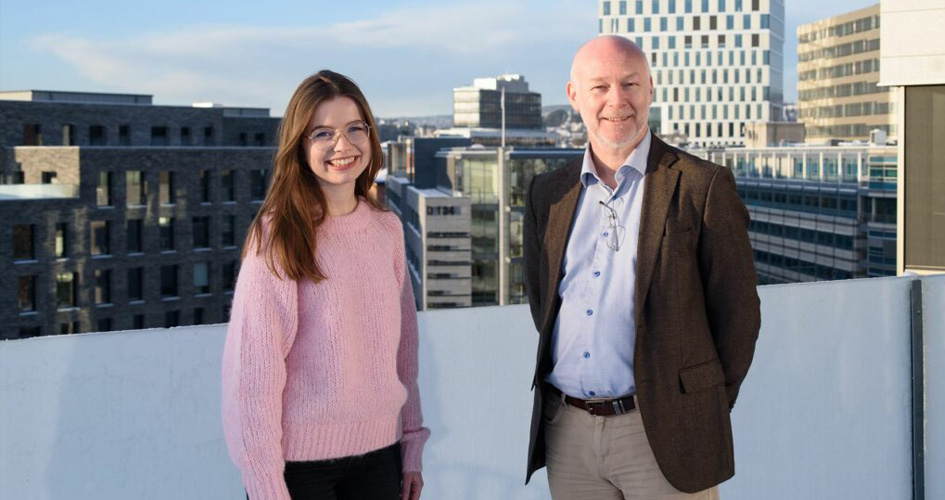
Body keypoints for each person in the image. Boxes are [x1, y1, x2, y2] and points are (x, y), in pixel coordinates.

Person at [522, 36, 761, 499]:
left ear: (650, 88)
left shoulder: (701, 186)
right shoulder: (546, 193)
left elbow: (738, 316)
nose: (617, 100)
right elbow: (543, 301)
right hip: (567, 433)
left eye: (630, 83)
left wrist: (694, 405)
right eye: (600, 87)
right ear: (574, 96)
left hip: (663, 432)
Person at [221, 70, 429, 500]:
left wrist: (411, 445)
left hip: (381, 456)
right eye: (323, 133)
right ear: (300, 147)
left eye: (355, 128)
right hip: (299, 469)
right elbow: (254, 374)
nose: (343, 145)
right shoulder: (278, 235)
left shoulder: (387, 229)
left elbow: (403, 350)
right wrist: (264, 483)